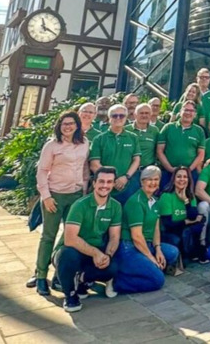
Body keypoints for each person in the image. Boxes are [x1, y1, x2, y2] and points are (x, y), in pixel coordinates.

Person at [32, 111, 89, 296]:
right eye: (64, 124)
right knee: (49, 235)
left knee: (69, 236)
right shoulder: (52, 145)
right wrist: (46, 196)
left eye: (71, 123)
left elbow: (85, 168)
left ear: (77, 125)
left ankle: (60, 272)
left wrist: (85, 189)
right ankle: (41, 275)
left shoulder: (84, 143)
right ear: (59, 126)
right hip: (55, 195)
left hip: (76, 195)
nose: (68, 127)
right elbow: (42, 171)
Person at [54, 166, 121, 312]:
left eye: (109, 182)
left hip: (93, 253)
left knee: (111, 268)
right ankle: (70, 295)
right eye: (101, 181)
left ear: (114, 184)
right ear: (94, 183)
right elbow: (70, 239)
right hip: (71, 250)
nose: (105, 185)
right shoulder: (80, 205)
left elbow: (115, 237)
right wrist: (96, 253)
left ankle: (83, 280)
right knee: (68, 255)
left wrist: (107, 256)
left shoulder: (115, 207)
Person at [114, 166, 180, 294]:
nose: (153, 183)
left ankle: (145, 269)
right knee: (158, 281)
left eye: (156, 179)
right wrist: (151, 257)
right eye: (149, 179)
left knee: (172, 252)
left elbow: (156, 229)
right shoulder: (136, 202)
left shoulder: (155, 201)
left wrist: (158, 249)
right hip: (130, 247)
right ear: (142, 181)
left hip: (147, 244)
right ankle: (118, 281)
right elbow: (137, 237)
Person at [90, 104, 141, 204]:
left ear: (126, 118)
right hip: (105, 187)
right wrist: (111, 180)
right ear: (109, 118)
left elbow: (136, 160)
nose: (118, 118)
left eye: (121, 116)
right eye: (114, 115)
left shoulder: (133, 137)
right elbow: (94, 164)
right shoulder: (99, 139)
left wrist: (126, 177)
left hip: (128, 186)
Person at [159, 166, 205, 267]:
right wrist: (187, 222)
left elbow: (193, 216)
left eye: (185, 177)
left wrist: (185, 200)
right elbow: (168, 224)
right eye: (179, 176)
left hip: (183, 228)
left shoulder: (189, 195)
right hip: (171, 231)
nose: (182, 179)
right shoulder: (166, 196)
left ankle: (195, 252)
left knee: (199, 224)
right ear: (174, 179)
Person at [156, 100, 206, 190]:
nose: (188, 113)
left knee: (188, 199)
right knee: (165, 197)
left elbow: (201, 154)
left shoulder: (199, 131)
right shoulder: (168, 127)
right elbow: (159, 151)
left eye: (191, 111)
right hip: (168, 173)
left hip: (190, 173)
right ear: (180, 112)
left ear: (195, 114)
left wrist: (189, 170)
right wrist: (170, 168)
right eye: (186, 110)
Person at [128, 103, 160, 168]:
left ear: (151, 115)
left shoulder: (155, 130)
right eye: (141, 113)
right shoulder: (126, 129)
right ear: (135, 115)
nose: (144, 115)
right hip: (129, 169)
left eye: (147, 113)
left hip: (148, 170)